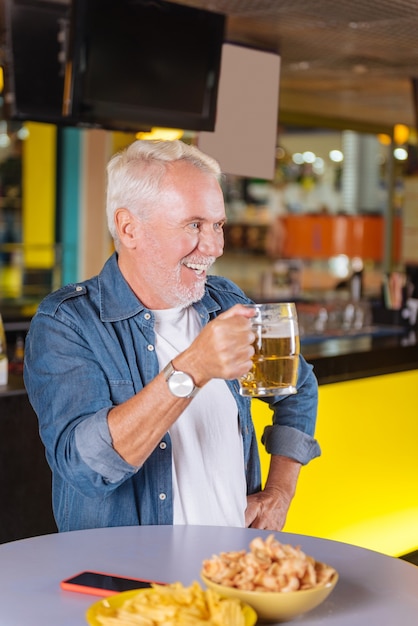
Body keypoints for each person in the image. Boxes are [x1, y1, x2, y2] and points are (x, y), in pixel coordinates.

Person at [24, 140, 320, 533]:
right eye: (194, 225)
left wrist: (280, 492)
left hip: (227, 573)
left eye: (218, 225)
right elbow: (85, 467)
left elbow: (297, 387)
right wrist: (193, 368)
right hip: (129, 582)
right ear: (130, 228)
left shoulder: (224, 301)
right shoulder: (68, 322)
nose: (214, 246)